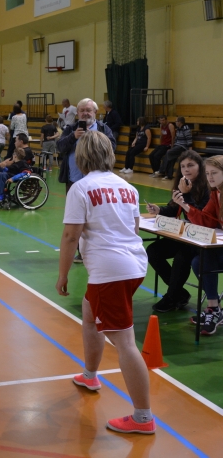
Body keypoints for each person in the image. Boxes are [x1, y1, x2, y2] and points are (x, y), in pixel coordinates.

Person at [56, 131, 154, 435]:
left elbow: (71, 236)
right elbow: (134, 228)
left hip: (110, 272)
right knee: (89, 312)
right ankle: (90, 375)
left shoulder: (81, 188)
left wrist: (63, 274)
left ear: (81, 157)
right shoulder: (128, 187)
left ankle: (143, 418)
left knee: (125, 343)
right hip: (134, 264)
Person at [145, 151, 209, 312]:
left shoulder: (207, 188)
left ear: (200, 167)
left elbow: (200, 215)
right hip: (185, 235)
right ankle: (179, 293)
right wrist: (159, 210)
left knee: (182, 256)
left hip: (203, 237)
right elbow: (174, 208)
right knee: (153, 251)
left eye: (190, 165)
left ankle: (172, 296)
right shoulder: (182, 184)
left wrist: (186, 196)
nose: (186, 169)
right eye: (183, 166)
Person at [56, 98, 116, 263]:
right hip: (74, 181)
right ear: (78, 113)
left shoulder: (104, 129)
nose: (85, 113)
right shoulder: (70, 129)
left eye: (88, 110)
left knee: (98, 215)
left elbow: (112, 147)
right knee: (75, 218)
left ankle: (97, 249)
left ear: (95, 112)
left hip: (99, 183)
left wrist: (97, 140)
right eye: (82, 110)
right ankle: (80, 252)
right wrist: (73, 137)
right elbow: (60, 147)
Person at [175, 155, 223, 335]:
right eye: (208, 173)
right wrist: (185, 205)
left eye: (214, 173)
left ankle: (214, 309)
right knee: (199, 261)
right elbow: (206, 221)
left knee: (204, 258)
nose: (210, 177)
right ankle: (214, 308)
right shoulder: (216, 193)